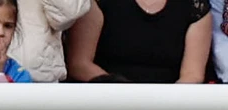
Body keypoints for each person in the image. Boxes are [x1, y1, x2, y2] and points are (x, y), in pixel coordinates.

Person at [64, 0, 211, 83]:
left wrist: (162, 106)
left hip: (168, 108)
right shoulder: (97, 3)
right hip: (106, 103)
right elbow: (79, 64)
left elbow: (192, 74)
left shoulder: (195, 6)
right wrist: (130, 98)